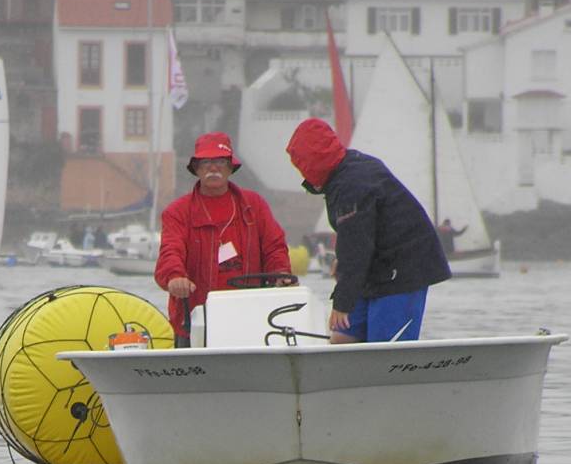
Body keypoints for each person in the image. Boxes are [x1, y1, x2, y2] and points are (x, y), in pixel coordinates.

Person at [285, 118, 451, 344]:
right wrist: (343, 265)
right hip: (375, 268)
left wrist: (342, 302)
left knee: (383, 347)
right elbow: (358, 234)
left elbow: (357, 247)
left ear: (312, 163)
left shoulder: (351, 185)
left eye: (302, 167)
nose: (302, 175)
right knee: (342, 339)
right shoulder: (347, 169)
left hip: (404, 270)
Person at [154, 131, 294, 338]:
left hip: (252, 316)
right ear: (196, 168)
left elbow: (274, 247)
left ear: (230, 167)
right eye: (206, 162)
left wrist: (280, 274)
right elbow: (170, 251)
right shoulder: (177, 212)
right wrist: (175, 277)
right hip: (196, 322)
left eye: (220, 161)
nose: (213, 168)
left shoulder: (254, 205)